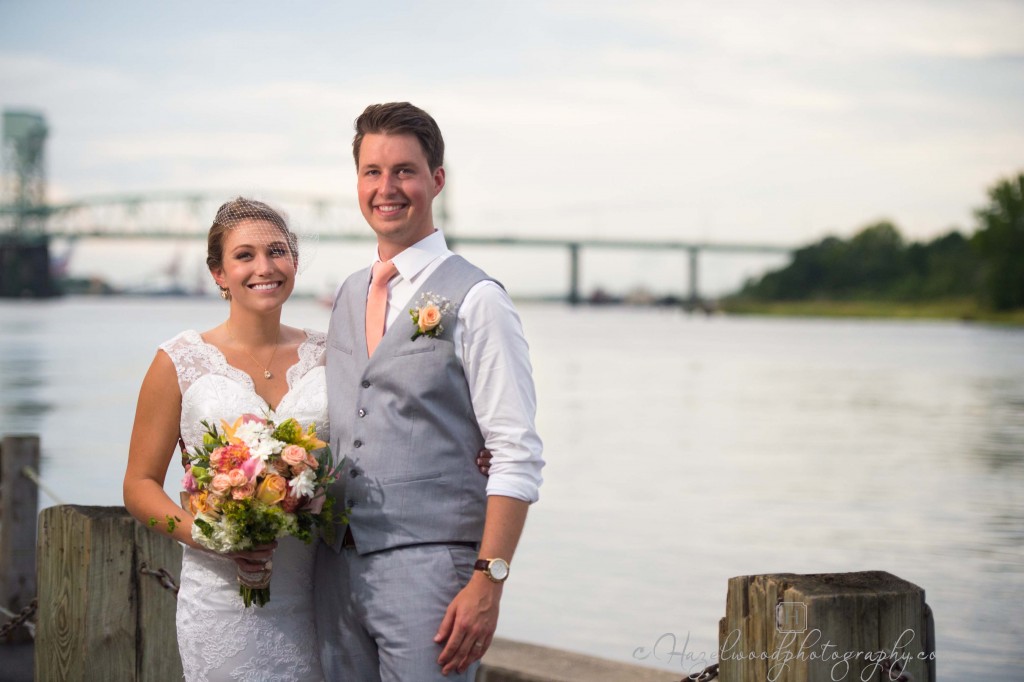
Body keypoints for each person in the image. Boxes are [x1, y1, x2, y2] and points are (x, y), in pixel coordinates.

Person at [316, 102, 545, 681]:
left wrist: (487, 582)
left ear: (436, 180)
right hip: (335, 573)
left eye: (404, 171)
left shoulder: (478, 299)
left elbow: (516, 451)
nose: (386, 188)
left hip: (432, 575)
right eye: (372, 172)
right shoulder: (346, 294)